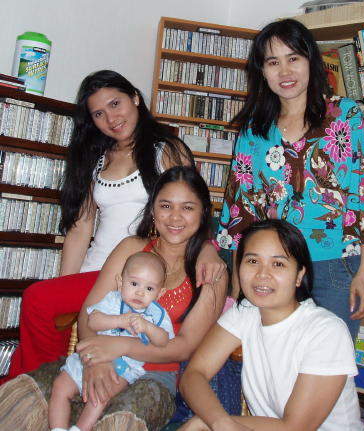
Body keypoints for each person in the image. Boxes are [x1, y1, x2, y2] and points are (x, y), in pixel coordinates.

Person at [4, 70, 225, 381]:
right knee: (45, 301)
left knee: (37, 299)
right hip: (95, 270)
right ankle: (42, 379)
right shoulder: (96, 158)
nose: (111, 118)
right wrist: (64, 287)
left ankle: (35, 381)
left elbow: (192, 205)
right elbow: (81, 228)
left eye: (115, 104)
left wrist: (207, 251)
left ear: (135, 98)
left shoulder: (166, 150)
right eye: (98, 113)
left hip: (134, 270)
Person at [0, 166, 228, 431]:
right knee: (25, 401)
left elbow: (184, 346)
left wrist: (120, 347)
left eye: (187, 208)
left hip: (153, 374)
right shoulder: (131, 248)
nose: (175, 216)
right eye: (165, 205)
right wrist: (95, 360)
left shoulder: (211, 272)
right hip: (93, 357)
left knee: (120, 421)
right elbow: (89, 311)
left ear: (203, 213)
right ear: (152, 210)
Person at [216, 18, 364, 340]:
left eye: (293, 58)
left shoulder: (345, 115)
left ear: (311, 60)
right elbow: (242, 210)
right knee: (273, 359)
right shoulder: (254, 129)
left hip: (335, 266)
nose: (285, 71)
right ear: (262, 71)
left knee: (328, 361)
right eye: (273, 62)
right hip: (271, 268)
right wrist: (239, 285)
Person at [179, 219, 364, 431]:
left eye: (278, 264)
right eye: (252, 261)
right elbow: (193, 375)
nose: (262, 274)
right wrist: (217, 420)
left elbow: (294, 428)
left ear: (299, 275)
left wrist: (208, 423)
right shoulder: (246, 311)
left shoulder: (326, 331)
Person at [48, 251, 175, 431]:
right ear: (120, 282)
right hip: (91, 357)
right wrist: (118, 321)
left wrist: (148, 327)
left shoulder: (155, 314)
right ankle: (58, 428)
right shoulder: (112, 300)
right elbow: (92, 321)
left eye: (149, 289)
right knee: (60, 386)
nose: (140, 292)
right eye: (134, 284)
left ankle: (80, 428)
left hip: (123, 369)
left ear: (160, 293)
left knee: (101, 394)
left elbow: (163, 341)